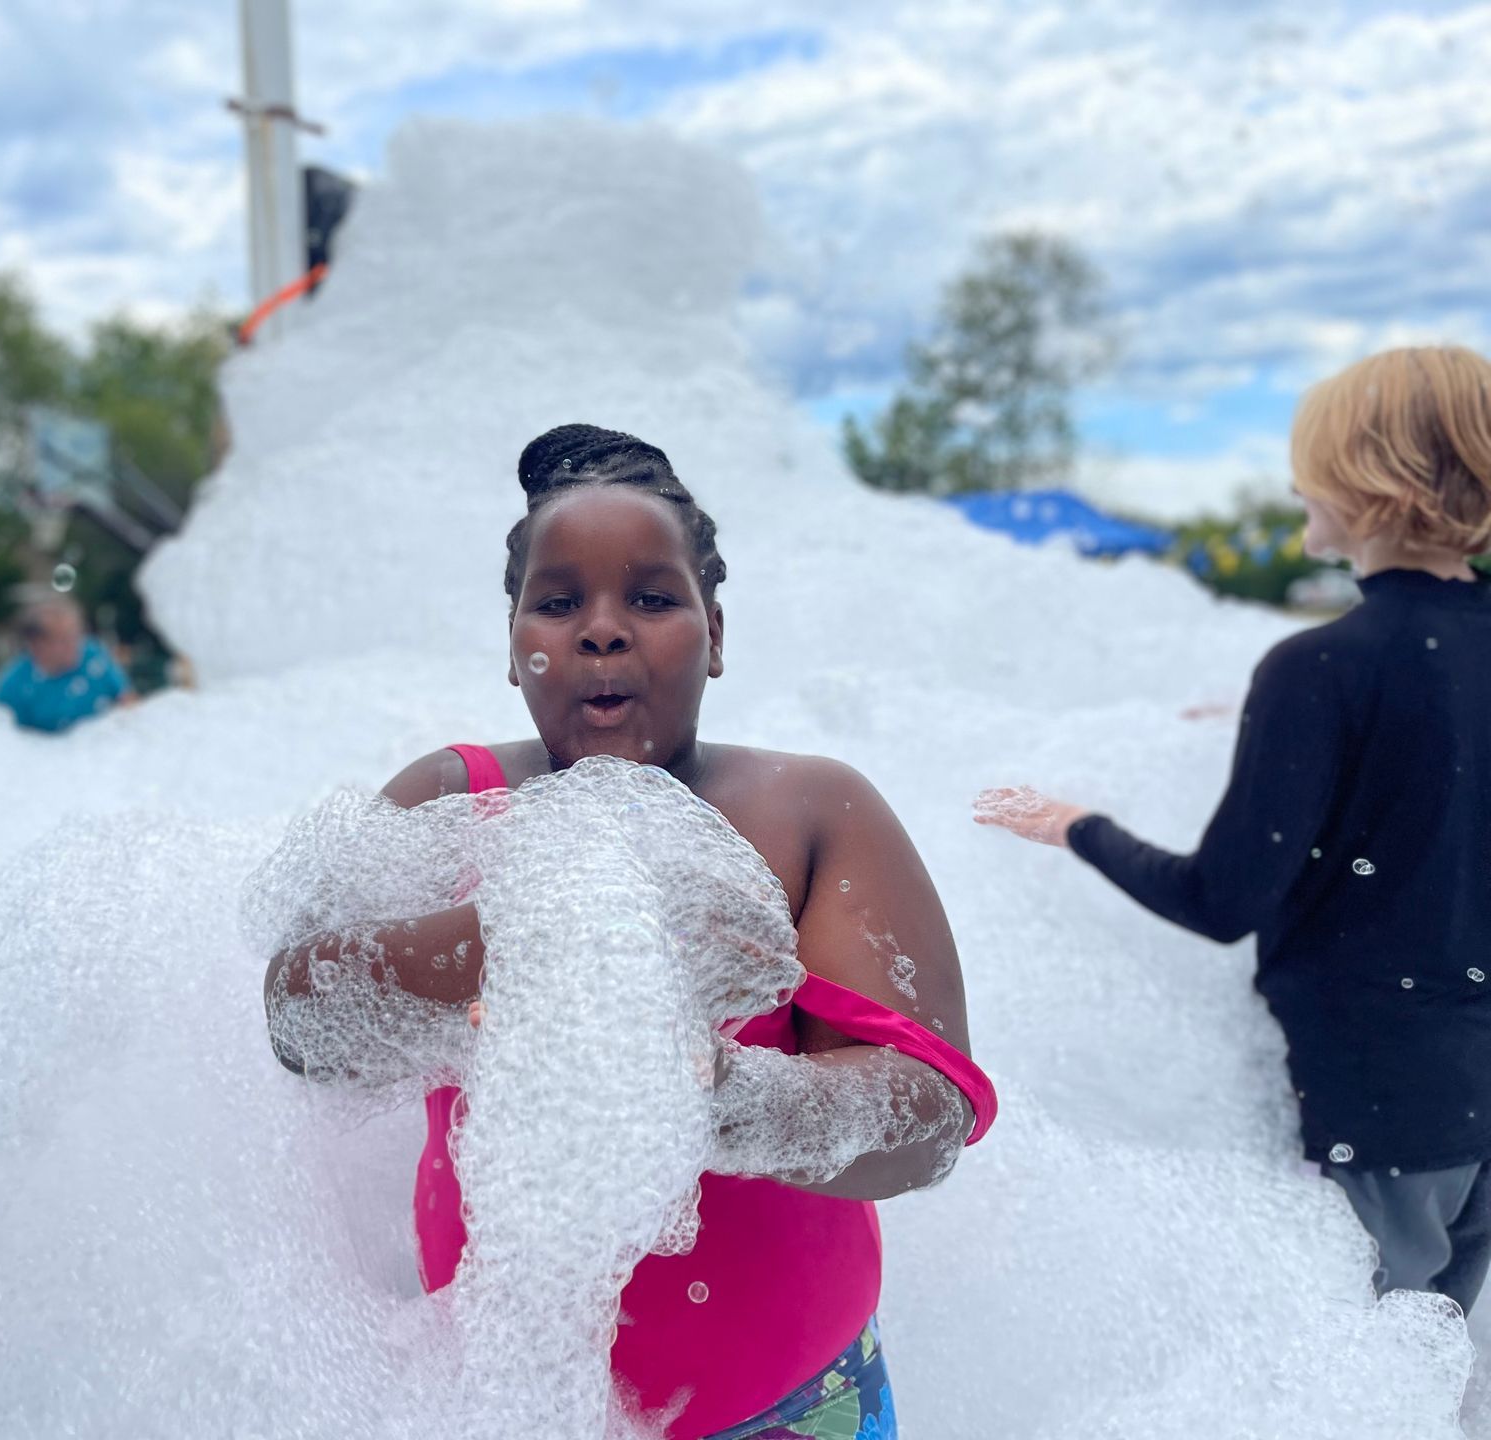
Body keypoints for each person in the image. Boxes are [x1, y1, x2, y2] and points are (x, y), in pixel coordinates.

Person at [264, 424, 997, 1438]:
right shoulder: (449, 801)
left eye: (652, 598)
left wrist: (720, 1100)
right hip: (513, 1406)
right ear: (513, 640)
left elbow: (926, 1113)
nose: (600, 631)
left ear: (718, 631)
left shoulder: (810, 811)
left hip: (793, 1406)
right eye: (558, 603)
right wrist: (534, 935)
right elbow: (302, 1022)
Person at [976, 345, 1491, 1314]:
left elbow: (1220, 900)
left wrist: (1076, 826)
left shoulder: (1317, 670)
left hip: (1368, 1115)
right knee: (1431, 1378)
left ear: (1372, 481)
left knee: (1351, 1384)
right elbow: (1434, 752)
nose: (1298, 484)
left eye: (1316, 463)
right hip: (1473, 1103)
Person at [0, 596, 132, 734]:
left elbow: (128, 702)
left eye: (77, 635)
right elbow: (4, 744)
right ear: (37, 646)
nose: (76, 645)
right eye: (64, 639)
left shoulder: (94, 655)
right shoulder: (13, 687)